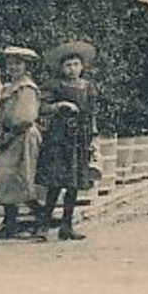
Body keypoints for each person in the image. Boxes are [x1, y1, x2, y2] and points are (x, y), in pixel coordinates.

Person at [35, 40, 100, 241]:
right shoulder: (55, 86)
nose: (72, 69)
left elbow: (91, 114)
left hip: (79, 138)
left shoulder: (88, 87)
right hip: (58, 138)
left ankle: (67, 226)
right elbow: (40, 107)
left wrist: (93, 138)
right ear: (62, 68)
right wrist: (60, 105)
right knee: (55, 183)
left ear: (82, 66)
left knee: (73, 185)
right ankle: (43, 226)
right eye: (68, 65)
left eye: (75, 64)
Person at [0, 47, 42, 240]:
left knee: (22, 178)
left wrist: (9, 135)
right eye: (11, 64)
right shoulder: (8, 88)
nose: (14, 67)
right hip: (8, 137)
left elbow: (25, 117)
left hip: (22, 136)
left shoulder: (26, 88)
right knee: (5, 180)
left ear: (26, 67)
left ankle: (42, 217)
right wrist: (0, 133)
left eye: (18, 64)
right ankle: (9, 223)